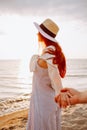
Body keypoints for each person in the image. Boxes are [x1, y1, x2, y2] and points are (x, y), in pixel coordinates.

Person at [26, 18, 67, 130]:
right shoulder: (49, 53)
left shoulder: (48, 55)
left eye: (39, 31)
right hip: (44, 102)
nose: (37, 33)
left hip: (44, 105)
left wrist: (61, 95)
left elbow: (56, 80)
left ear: (43, 35)